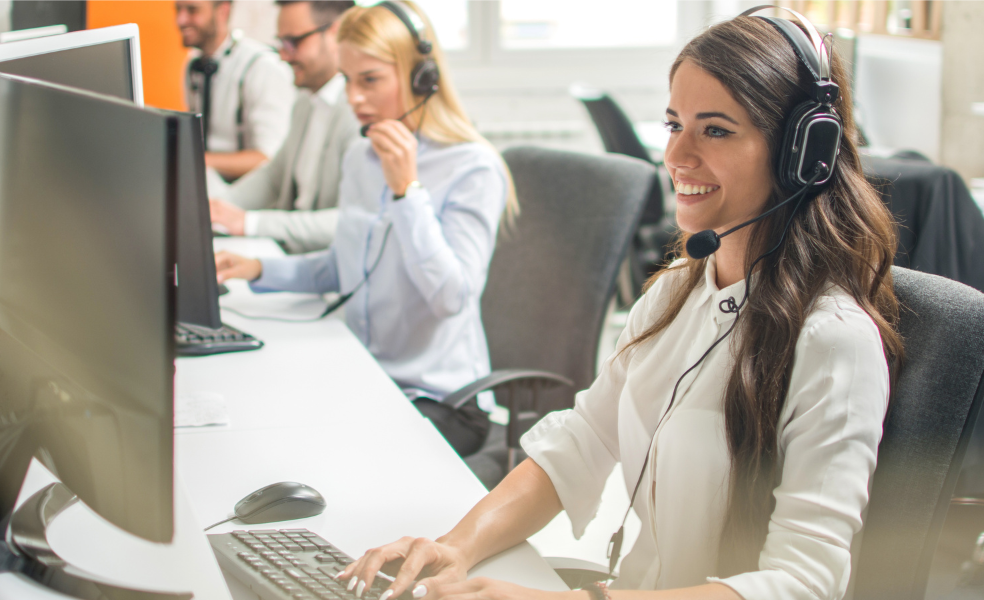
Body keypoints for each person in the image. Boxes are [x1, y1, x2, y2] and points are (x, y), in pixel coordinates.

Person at [333, 11, 904, 600]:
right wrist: (453, 547)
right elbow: (581, 443)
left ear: (801, 154)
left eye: (715, 130)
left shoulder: (833, 341)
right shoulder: (675, 293)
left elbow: (803, 582)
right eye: (673, 124)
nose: (677, 156)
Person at [214, 0, 517, 457]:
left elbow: (450, 298)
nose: (354, 98)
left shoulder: (472, 168)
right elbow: (344, 266)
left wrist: (406, 192)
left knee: (318, 455)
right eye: (348, 80)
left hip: (439, 402)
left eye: (370, 80)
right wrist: (259, 268)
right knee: (257, 419)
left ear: (422, 78)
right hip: (366, 376)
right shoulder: (360, 156)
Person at [208, 0, 359, 254]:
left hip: (326, 271)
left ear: (335, 32)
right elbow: (273, 177)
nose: (283, 55)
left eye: (293, 42)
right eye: (281, 43)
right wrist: (214, 210)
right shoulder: (305, 101)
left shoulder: (360, 114)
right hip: (293, 258)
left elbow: (348, 222)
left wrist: (250, 223)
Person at [177, 0, 294, 182]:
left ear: (223, 11)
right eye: (178, 10)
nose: (181, 20)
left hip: (247, 195)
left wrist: (197, 161)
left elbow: (268, 158)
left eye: (192, 10)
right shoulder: (192, 66)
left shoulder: (261, 67)